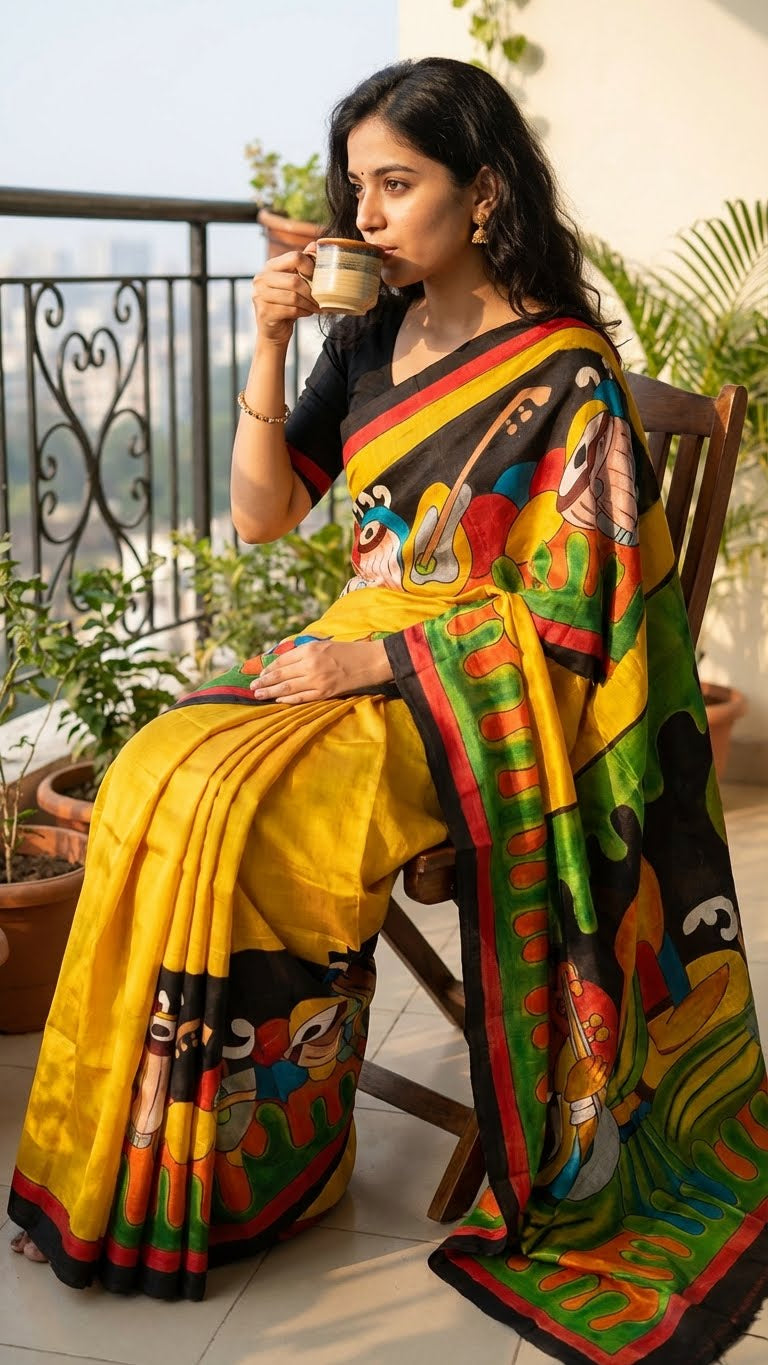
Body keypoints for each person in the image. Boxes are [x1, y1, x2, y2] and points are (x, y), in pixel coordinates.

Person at [8, 56, 768, 1365]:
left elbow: (575, 612)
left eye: (396, 184)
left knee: (243, 809)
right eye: (355, 185)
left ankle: (258, 1164)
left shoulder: (564, 374)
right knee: (150, 774)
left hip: (473, 696)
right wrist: (264, 337)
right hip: (351, 650)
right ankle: (152, 1162)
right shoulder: (366, 335)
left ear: (483, 196)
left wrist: (373, 670)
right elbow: (260, 514)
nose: (364, 215)